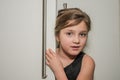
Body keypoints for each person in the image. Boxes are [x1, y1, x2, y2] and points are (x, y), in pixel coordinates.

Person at [46, 8, 95, 80]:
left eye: (82, 34)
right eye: (69, 33)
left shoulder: (87, 62)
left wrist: (58, 70)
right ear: (57, 36)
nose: (77, 40)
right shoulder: (48, 56)